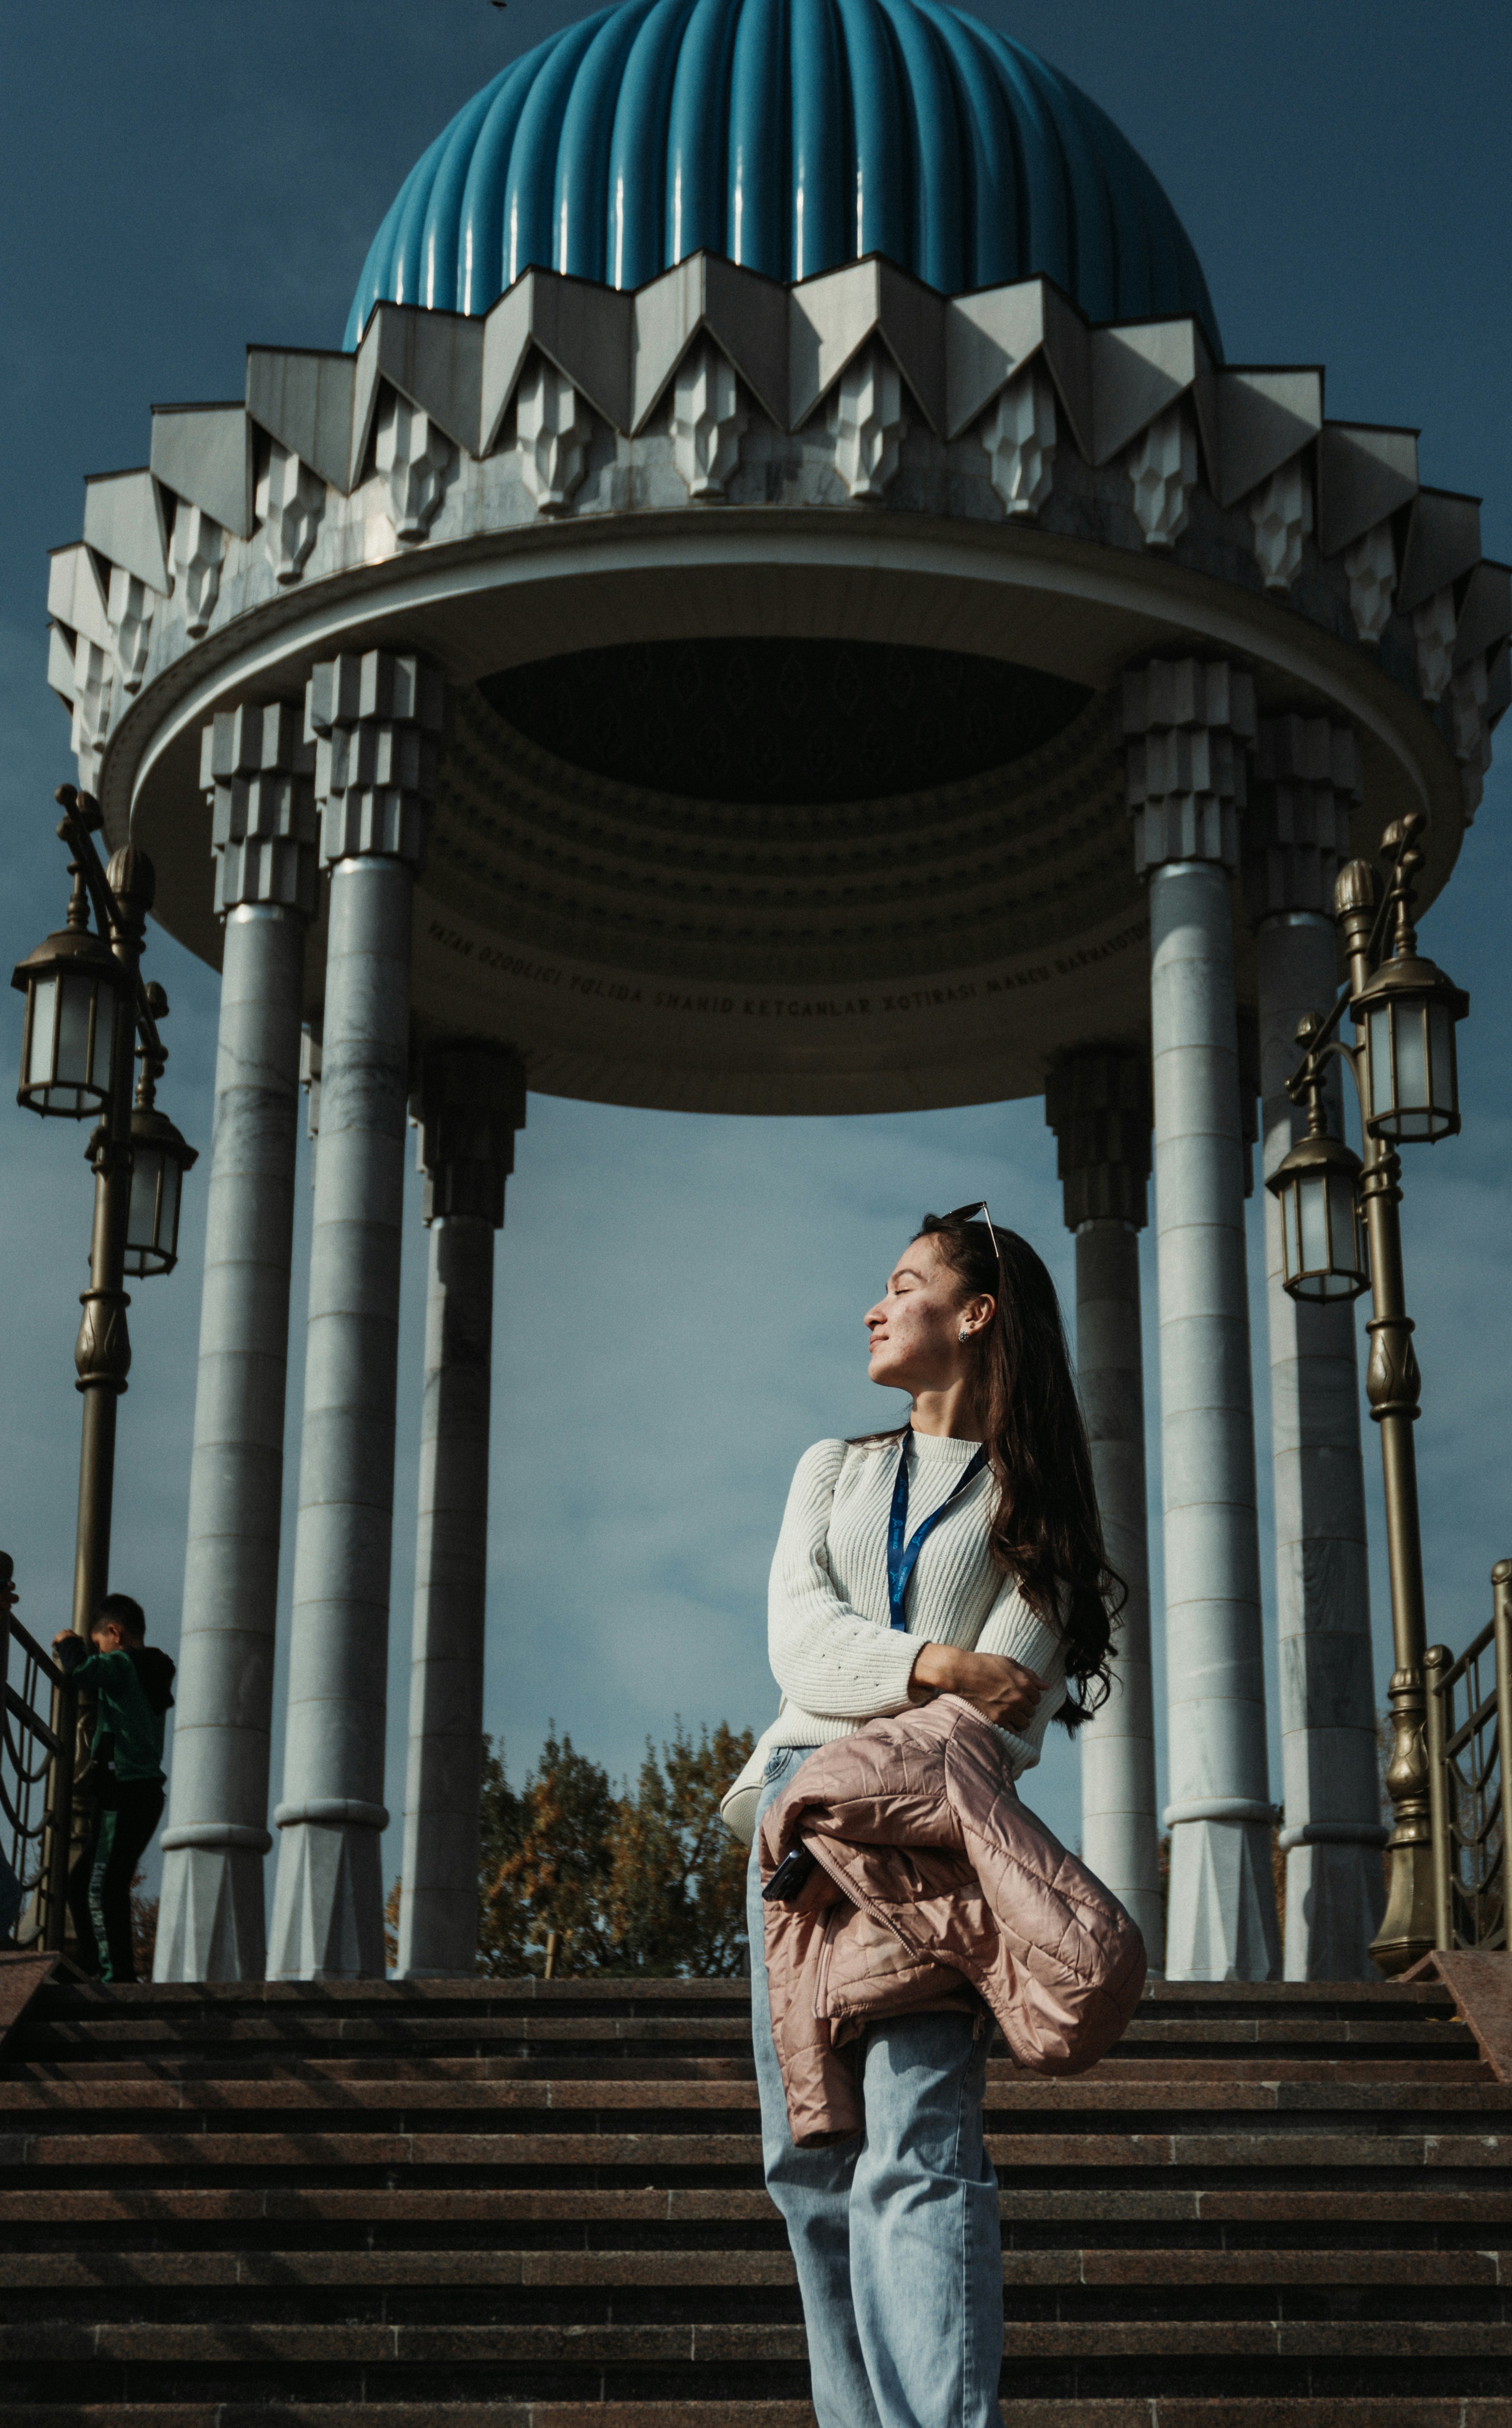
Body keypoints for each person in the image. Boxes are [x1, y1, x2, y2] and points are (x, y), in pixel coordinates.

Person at [742, 1205, 1120, 2428]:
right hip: (793, 1843)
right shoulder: (831, 1467)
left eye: (901, 1284)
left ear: (973, 1315)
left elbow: (999, 1725)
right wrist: (942, 1662)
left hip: (922, 1853)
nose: (871, 1304)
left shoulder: (1042, 1515)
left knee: (916, 2143)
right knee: (805, 2166)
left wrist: (909, 1684)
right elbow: (795, 1646)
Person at [53, 1594, 175, 1984]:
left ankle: (114, 1976)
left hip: (123, 1790)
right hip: (143, 1792)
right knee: (86, 1882)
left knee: (99, 1886)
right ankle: (96, 1963)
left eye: (100, 1644)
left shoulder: (123, 1664)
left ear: (115, 1633)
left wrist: (67, 1643)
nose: (99, 1653)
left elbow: (81, 1672)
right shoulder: (155, 1668)